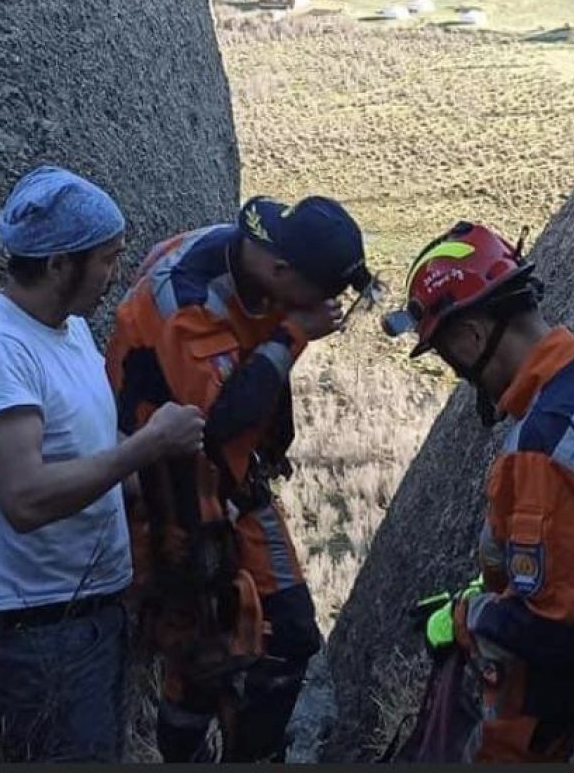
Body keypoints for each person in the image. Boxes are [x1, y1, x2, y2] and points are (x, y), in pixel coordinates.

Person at [384, 221, 574, 762]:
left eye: (448, 354)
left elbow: (550, 632)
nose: (457, 372)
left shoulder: (541, 448)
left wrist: (468, 615)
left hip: (557, 715)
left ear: (472, 337)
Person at [105, 194, 377, 762]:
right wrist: (292, 334)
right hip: (172, 494)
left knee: (288, 635)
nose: (328, 306)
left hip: (232, 480)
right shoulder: (189, 303)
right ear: (282, 271)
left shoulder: (252, 260)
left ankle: (245, 752)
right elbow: (218, 421)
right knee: (203, 648)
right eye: (323, 293)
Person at [0, 165, 204, 762]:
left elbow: (89, 445)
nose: (116, 275)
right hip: (38, 631)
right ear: (60, 264)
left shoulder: (67, 331)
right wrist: (147, 445)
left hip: (89, 615)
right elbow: (25, 498)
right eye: (108, 259)